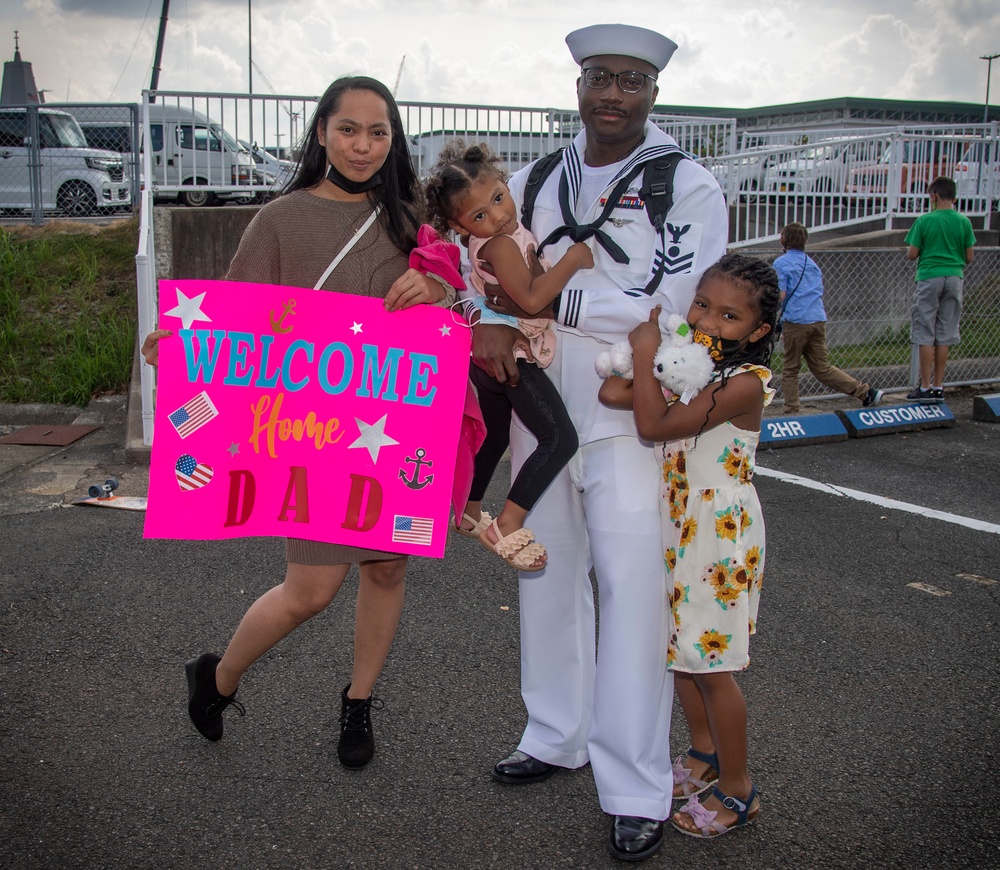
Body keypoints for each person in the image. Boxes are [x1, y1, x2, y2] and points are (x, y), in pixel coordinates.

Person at [140, 75, 454, 769]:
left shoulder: (409, 216)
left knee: (386, 572)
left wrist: (438, 285)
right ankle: (217, 679)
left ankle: (359, 701)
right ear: (321, 133)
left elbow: (454, 307)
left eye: (379, 132)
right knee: (310, 590)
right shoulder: (279, 221)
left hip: (391, 433)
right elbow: (234, 318)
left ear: (393, 139)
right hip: (312, 438)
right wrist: (184, 353)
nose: (364, 145)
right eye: (349, 129)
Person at [473, 23, 729, 862]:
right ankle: (554, 734)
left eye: (630, 80)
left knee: (632, 597)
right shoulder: (536, 176)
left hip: (631, 414)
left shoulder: (684, 184)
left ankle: (634, 785)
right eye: (597, 77)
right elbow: (485, 266)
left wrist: (550, 304)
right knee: (540, 574)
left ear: (654, 92)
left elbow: (681, 305)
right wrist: (489, 313)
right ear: (577, 86)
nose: (612, 94)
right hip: (539, 407)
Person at [602, 253, 778, 839]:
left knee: (714, 666)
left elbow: (652, 426)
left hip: (717, 538)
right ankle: (703, 755)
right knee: (681, 655)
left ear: (758, 332)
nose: (707, 321)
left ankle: (738, 788)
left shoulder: (744, 384)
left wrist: (649, 353)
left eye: (729, 317)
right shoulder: (700, 370)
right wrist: (650, 360)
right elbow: (613, 393)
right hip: (682, 528)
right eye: (702, 305)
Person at [425, 140, 592, 570]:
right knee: (560, 438)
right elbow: (533, 298)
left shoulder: (499, 236)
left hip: (487, 358)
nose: (498, 217)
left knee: (496, 436)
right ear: (457, 225)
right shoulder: (499, 246)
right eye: (479, 215)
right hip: (510, 356)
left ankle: (467, 508)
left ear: (505, 182)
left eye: (499, 198)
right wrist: (573, 259)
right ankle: (507, 521)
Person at [773, 222, 883, 414]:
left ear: (783, 240)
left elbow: (781, 295)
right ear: (804, 241)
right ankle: (866, 393)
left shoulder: (781, 263)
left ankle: (791, 407)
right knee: (822, 368)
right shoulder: (812, 264)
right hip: (817, 318)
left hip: (796, 320)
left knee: (790, 368)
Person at [904, 176, 975, 404]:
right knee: (944, 334)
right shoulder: (964, 221)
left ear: (933, 196)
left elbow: (912, 254)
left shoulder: (925, 220)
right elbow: (969, 256)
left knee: (925, 330)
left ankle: (923, 388)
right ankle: (938, 386)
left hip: (929, 276)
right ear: (954, 197)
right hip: (954, 277)